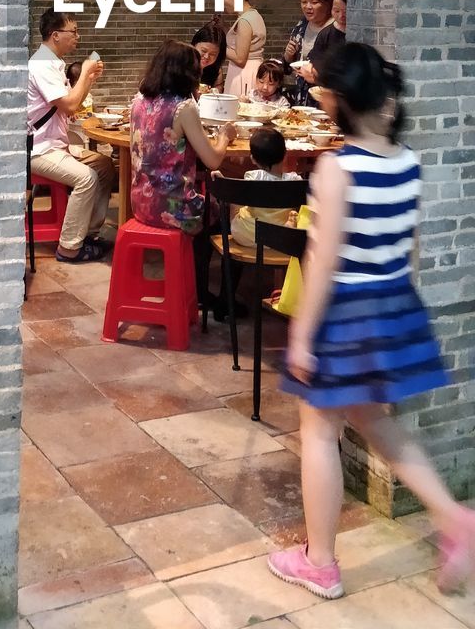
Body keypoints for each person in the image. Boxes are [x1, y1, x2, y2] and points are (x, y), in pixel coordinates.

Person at [268, 42, 471, 601]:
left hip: (347, 312)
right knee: (378, 423)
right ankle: (457, 520)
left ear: (335, 102)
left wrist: (304, 338)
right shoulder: (408, 162)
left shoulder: (338, 167)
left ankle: (320, 561)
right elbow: (412, 252)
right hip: (392, 305)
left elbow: (322, 260)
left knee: (318, 430)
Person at [28, 9, 116, 263]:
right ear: (55, 35)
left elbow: (75, 105)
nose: (77, 36)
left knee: (104, 165)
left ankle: (88, 234)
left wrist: (88, 78)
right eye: (73, 31)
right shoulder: (42, 65)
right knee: (86, 178)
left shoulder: (54, 63)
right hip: (39, 149)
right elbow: (68, 105)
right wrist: (86, 72)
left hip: (56, 145)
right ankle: (69, 248)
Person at [130, 40, 237, 234]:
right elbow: (213, 160)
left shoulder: (139, 100)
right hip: (174, 209)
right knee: (230, 204)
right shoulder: (183, 107)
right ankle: (205, 263)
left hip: (140, 204)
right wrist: (224, 137)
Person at [229, 127, 301, 246]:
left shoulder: (251, 178)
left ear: (253, 159)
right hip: (281, 240)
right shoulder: (295, 181)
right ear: (285, 154)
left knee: (236, 204)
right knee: (293, 213)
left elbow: (233, 195)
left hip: (247, 236)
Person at [283, 0, 334, 105]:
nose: (308, 7)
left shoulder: (334, 31)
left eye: (314, 2)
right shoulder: (301, 25)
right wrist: (288, 56)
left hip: (324, 100)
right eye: (304, 2)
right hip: (302, 96)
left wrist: (316, 75)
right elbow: (288, 67)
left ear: (327, 3)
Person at [223, 0, 266, 96]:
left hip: (243, 72)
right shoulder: (253, 15)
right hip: (251, 69)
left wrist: (218, 47)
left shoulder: (245, 20)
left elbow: (240, 58)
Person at [299, 0, 347, 88]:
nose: (341, 16)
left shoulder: (362, 34)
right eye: (336, 11)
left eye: (346, 12)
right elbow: (314, 61)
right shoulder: (326, 33)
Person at [190, 18, 227, 90]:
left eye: (213, 54)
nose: (207, 57)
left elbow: (218, 93)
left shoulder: (215, 70)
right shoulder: (181, 65)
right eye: (203, 51)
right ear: (194, 45)